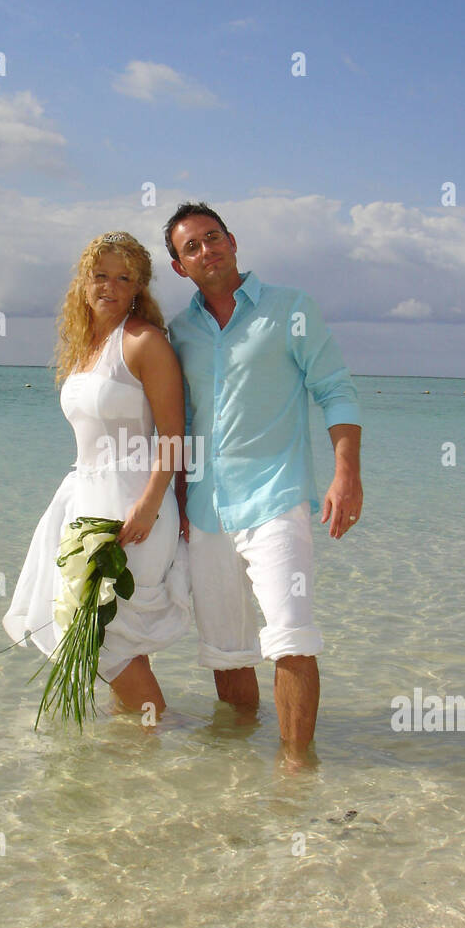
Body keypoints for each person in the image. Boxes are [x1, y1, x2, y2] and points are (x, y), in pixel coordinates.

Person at [165, 202, 363, 764]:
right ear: (181, 267)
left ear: (233, 240)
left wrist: (345, 475)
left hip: (275, 501)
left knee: (291, 640)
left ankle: (297, 773)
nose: (207, 250)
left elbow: (336, 390)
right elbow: (180, 423)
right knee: (226, 655)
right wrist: (177, 498)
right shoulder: (179, 332)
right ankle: (240, 766)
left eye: (213, 237)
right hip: (205, 512)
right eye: (192, 247)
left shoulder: (291, 309)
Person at [3, 231, 190, 718]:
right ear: (84, 283)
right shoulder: (87, 347)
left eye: (123, 278)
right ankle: (134, 754)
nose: (109, 286)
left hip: (133, 506)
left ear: (138, 288)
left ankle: (156, 739)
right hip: (85, 497)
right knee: (118, 636)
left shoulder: (144, 343)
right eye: (100, 275)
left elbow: (173, 434)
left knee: (107, 639)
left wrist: (148, 504)